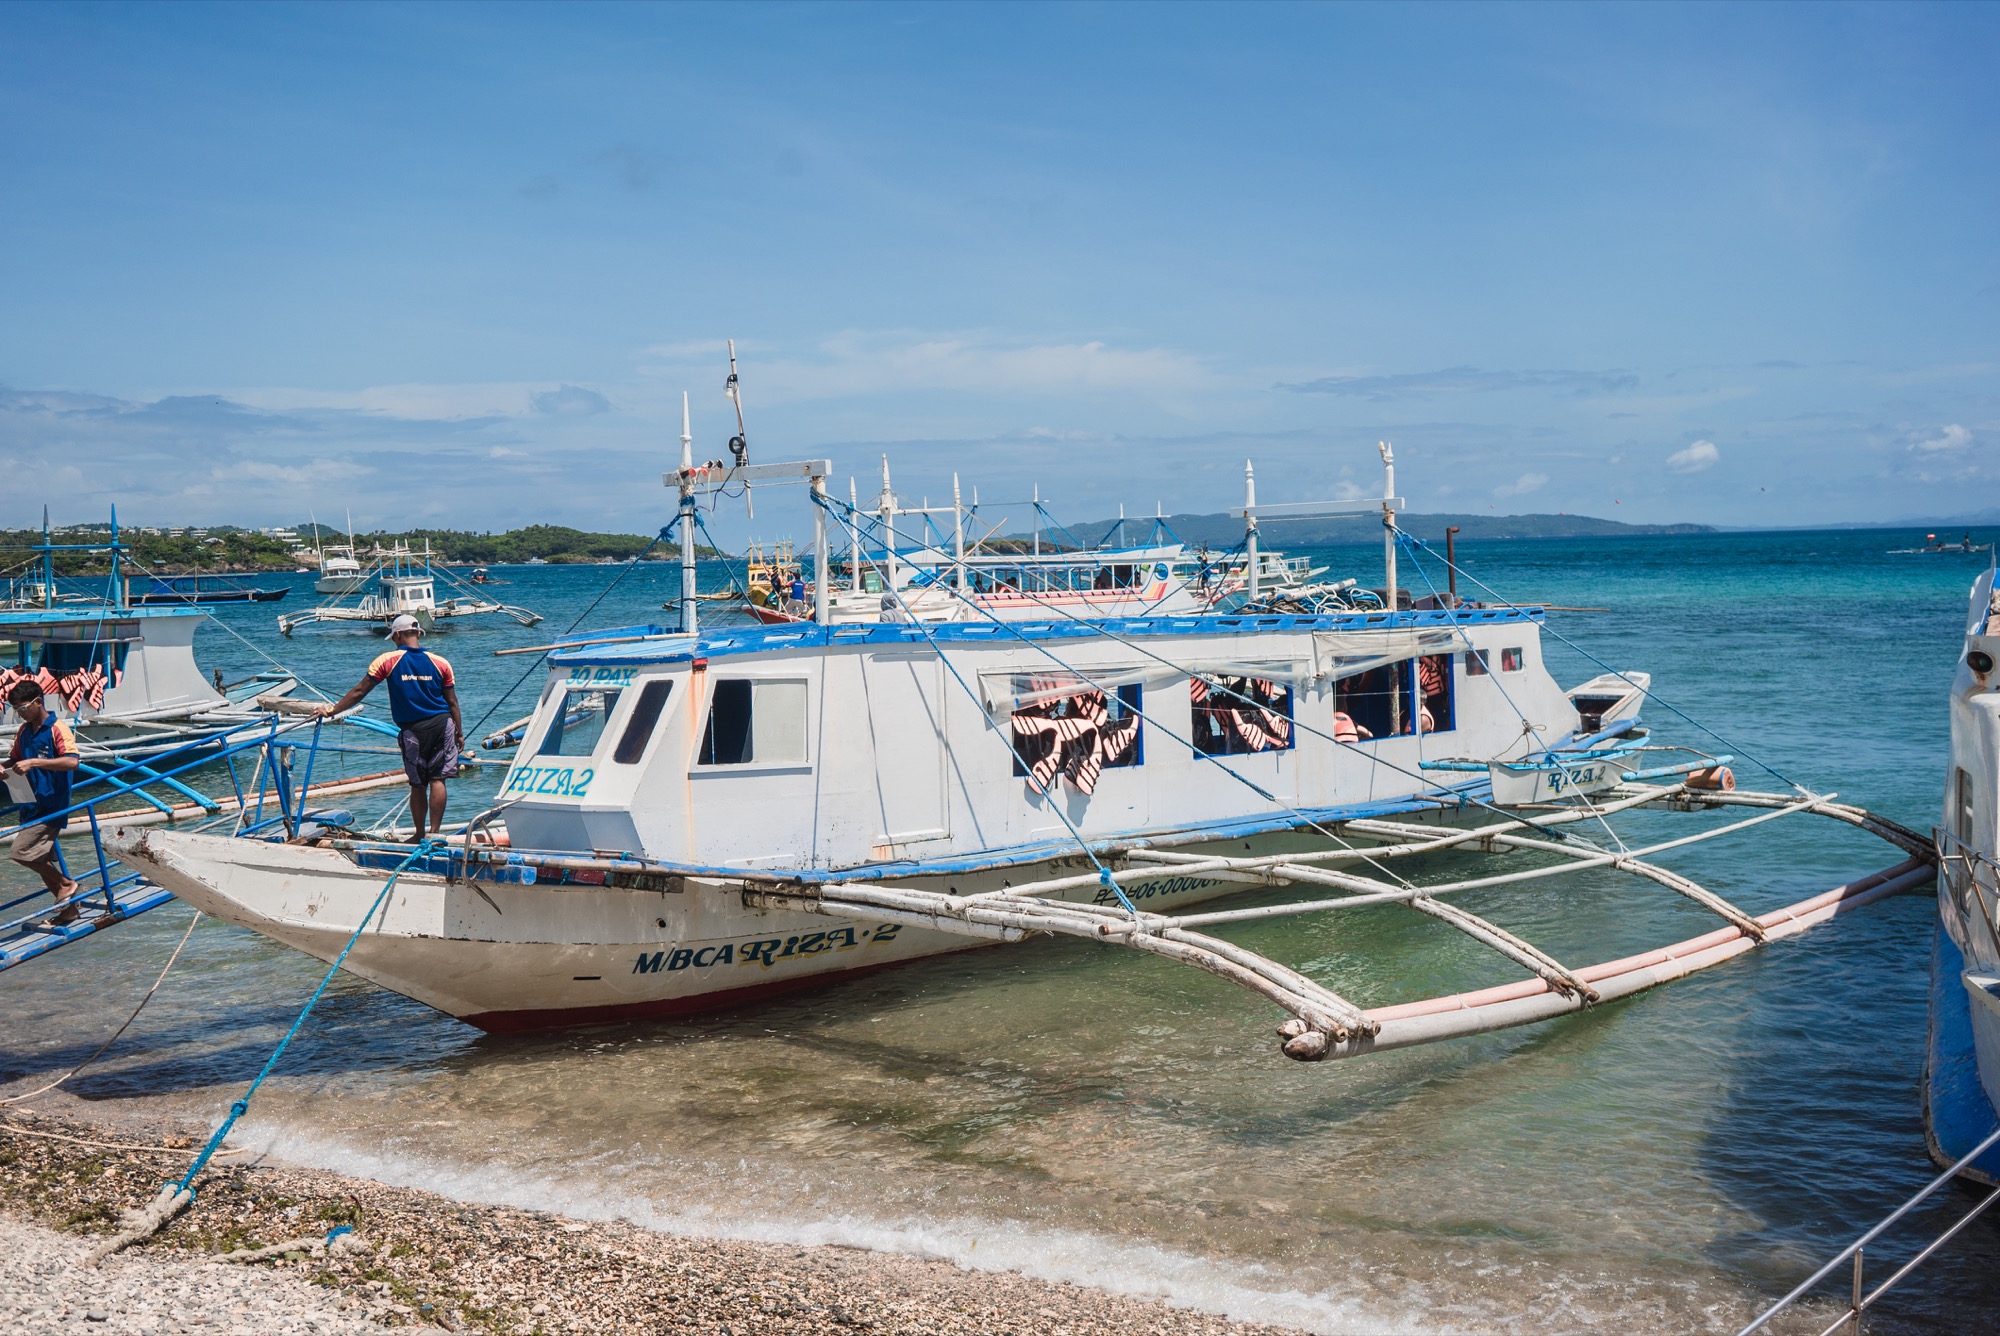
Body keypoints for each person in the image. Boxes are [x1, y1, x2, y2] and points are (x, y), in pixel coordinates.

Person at [318, 615, 463, 834]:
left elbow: (360, 691)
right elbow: (452, 702)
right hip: (443, 724)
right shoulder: (441, 662)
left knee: (417, 784)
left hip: (412, 730)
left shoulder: (387, 660)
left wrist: (331, 711)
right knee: (438, 779)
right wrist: (459, 734)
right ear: (417, 634)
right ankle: (434, 833)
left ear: (397, 635)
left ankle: (419, 835)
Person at [3, 678, 82, 926]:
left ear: (38, 702)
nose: (20, 714)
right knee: (40, 859)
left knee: (22, 852)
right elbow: (15, 759)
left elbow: (72, 762)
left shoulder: (57, 728)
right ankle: (69, 911)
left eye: (23, 708)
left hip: (52, 805)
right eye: (16, 710)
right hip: (29, 804)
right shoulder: (24, 731)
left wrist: (34, 762)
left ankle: (66, 884)